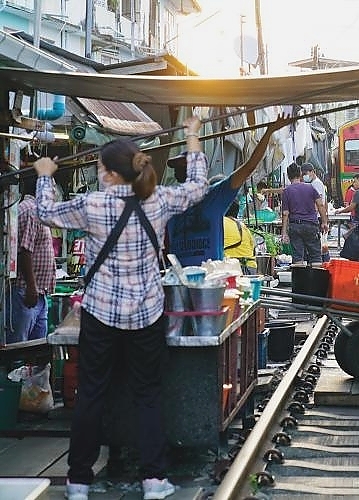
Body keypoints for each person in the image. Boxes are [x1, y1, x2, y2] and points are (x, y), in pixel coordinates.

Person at [34, 115, 208, 500]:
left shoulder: (92, 205)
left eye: (99, 168)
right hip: (146, 315)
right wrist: (193, 137)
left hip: (100, 314)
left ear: (111, 174)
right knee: (148, 394)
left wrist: (45, 174)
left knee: (92, 394)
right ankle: (153, 480)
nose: (98, 174)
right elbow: (197, 187)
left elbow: (46, 213)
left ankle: (78, 482)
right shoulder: (158, 199)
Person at [166, 114, 293, 266]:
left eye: (181, 166)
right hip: (178, 282)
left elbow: (250, 166)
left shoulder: (213, 196)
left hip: (210, 282)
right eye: (177, 168)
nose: (176, 172)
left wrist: (269, 132)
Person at [9, 171, 56, 344]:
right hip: (26, 292)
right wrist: (31, 286)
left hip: (38, 293)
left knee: (37, 349)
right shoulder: (31, 210)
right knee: (19, 348)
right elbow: (24, 251)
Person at [280, 163, 329, 265]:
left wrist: (284, 232)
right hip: (311, 225)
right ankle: (316, 279)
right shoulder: (310, 188)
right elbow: (320, 205)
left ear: (289, 177)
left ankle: (300, 280)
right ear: (300, 174)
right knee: (315, 255)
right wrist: (324, 222)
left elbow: (285, 214)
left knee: (298, 256)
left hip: (295, 226)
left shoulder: (287, 191)